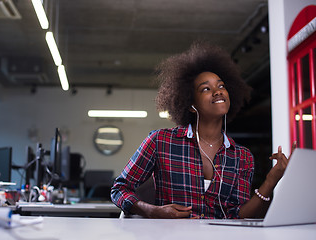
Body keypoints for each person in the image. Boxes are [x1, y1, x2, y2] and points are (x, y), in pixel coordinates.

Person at [110, 41, 296, 219]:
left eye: (221, 86)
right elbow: (119, 189)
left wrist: (271, 180)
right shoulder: (160, 141)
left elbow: (239, 215)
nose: (218, 91)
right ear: (191, 105)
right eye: (206, 89)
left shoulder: (242, 156)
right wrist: (152, 211)